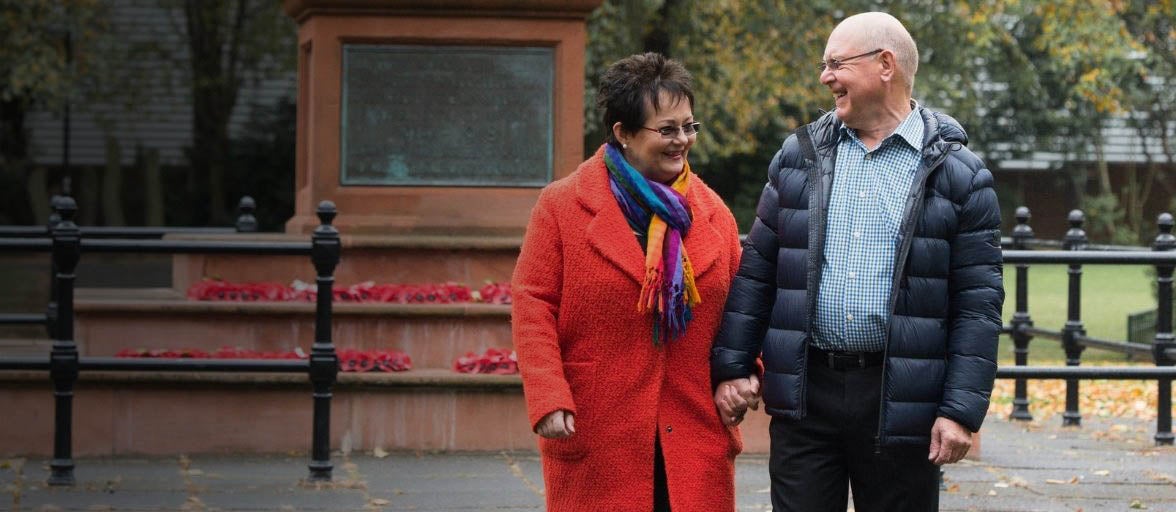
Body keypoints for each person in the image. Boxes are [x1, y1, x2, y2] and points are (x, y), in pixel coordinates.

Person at [711, 11, 1004, 512]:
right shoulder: (797, 157)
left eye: (836, 64)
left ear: (885, 65)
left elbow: (978, 305)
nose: (825, 77)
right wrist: (732, 367)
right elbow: (758, 269)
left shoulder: (961, 176)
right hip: (806, 394)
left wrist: (960, 411)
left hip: (902, 401)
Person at [512, 52, 744, 512]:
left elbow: (743, 306)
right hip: (598, 429)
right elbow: (532, 304)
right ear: (622, 133)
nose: (683, 141)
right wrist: (548, 396)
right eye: (668, 129)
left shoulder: (711, 210)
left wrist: (742, 372)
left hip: (693, 428)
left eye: (689, 126)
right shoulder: (561, 207)